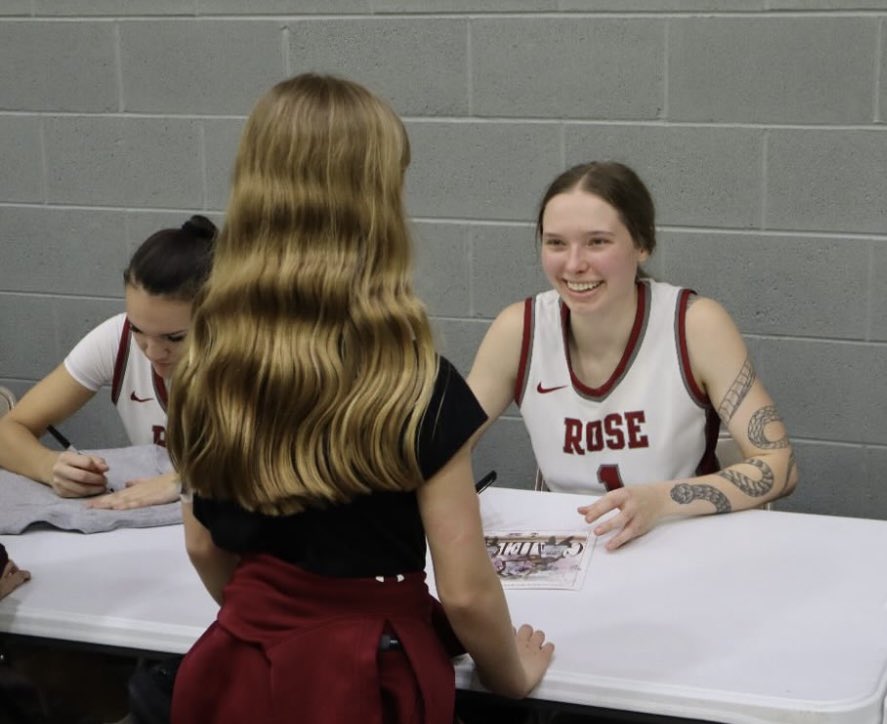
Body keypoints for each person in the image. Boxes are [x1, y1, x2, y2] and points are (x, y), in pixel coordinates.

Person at [166, 73, 554, 724]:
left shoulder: (205, 366)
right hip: (367, 681)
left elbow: (205, 547)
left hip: (236, 668)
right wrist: (511, 675)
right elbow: (464, 593)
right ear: (375, 208)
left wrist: (272, 626)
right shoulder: (413, 382)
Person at [468, 161, 798, 551]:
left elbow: (780, 464)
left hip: (678, 540)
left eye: (597, 242)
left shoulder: (694, 325)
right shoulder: (519, 330)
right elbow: (440, 450)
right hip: (569, 550)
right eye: (556, 243)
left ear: (642, 245)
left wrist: (660, 500)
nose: (574, 264)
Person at [0, 216, 216, 510]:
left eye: (175, 338)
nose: (153, 351)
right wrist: (48, 466)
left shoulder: (252, 356)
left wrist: (187, 480)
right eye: (138, 329)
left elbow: (277, 460)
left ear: (219, 317)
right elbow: (9, 430)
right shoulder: (118, 338)